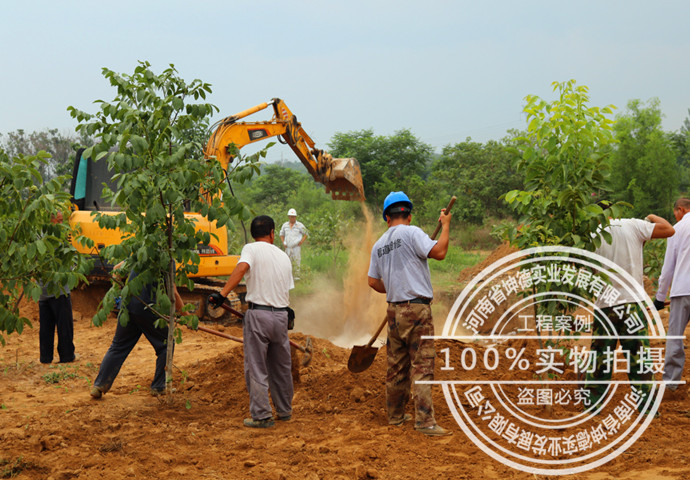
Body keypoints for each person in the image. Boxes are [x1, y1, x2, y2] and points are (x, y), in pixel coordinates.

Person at [367, 191, 452, 436]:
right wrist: (445, 226)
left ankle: (395, 416)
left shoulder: (379, 245)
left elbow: (373, 281)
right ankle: (424, 422)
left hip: (394, 312)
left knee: (396, 366)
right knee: (422, 365)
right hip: (417, 309)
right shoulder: (412, 232)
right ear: (409, 215)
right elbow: (440, 253)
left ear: (387, 218)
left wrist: (394, 287)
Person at [209, 215, 294, 428]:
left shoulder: (251, 249)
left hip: (259, 316)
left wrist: (222, 294)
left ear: (254, 233)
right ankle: (284, 411)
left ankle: (262, 415)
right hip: (281, 316)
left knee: (256, 366)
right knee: (281, 366)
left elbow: (241, 268)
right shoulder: (284, 256)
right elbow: (284, 287)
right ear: (273, 233)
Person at [585, 211, 674, 410]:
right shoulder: (632, 225)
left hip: (604, 305)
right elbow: (669, 229)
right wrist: (651, 216)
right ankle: (648, 407)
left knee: (600, 357)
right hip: (632, 304)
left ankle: (592, 406)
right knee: (639, 356)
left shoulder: (589, 234)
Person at [90, 266, 186, 398]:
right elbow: (173, 292)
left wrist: (117, 291)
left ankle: (99, 385)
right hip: (148, 308)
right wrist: (187, 316)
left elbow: (117, 268)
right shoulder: (166, 259)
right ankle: (159, 386)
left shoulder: (140, 251)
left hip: (128, 306)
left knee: (118, 347)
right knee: (166, 345)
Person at [654, 198, 690, 393]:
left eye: (675, 213)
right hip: (682, 289)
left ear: (681, 210)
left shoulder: (676, 230)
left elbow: (668, 269)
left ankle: (671, 385)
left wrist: (660, 298)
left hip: (682, 290)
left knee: (675, 337)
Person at [39, 211, 76, 364]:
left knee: (45, 327)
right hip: (59, 289)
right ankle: (67, 356)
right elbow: (70, 262)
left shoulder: (38, 237)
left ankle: (45, 358)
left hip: (42, 291)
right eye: (59, 220)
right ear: (51, 220)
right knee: (64, 326)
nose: (62, 224)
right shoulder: (58, 239)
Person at [279, 208, 307, 279]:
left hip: (296, 247)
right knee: (287, 261)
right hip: (287, 247)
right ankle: (288, 277)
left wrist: (301, 241)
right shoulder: (285, 225)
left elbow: (306, 233)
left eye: (294, 216)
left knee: (296, 260)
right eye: (291, 216)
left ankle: (296, 277)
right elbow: (281, 234)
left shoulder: (299, 225)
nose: (292, 218)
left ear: (296, 217)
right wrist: (283, 242)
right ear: (289, 217)